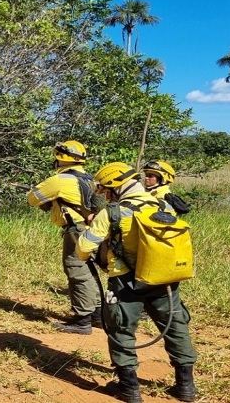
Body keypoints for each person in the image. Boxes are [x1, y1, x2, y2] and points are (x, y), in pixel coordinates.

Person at [76, 162, 198, 403]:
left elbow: (82, 249)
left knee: (121, 330)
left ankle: (129, 389)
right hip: (164, 279)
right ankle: (186, 387)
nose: (106, 196)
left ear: (116, 187)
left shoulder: (112, 212)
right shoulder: (164, 205)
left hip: (125, 283)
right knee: (176, 328)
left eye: (107, 191)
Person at [27, 140, 102, 334]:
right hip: (94, 229)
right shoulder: (90, 178)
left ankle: (82, 319)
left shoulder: (60, 180)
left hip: (76, 230)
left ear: (59, 157)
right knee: (89, 270)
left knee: (77, 271)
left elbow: (32, 198)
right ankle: (97, 314)